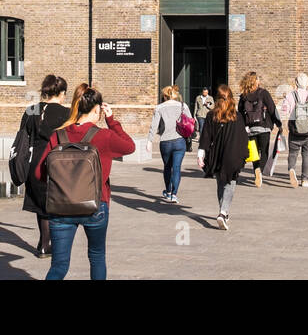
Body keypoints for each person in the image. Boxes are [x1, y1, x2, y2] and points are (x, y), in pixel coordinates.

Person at [33, 86, 135, 280]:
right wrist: (111, 120)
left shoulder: (58, 135)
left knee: (59, 266)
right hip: (95, 205)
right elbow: (129, 146)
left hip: (60, 208)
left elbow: (39, 173)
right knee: (96, 257)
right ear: (97, 110)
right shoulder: (104, 136)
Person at [20, 74, 71, 258]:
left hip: (35, 163)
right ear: (62, 93)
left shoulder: (32, 110)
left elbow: (22, 137)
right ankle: (53, 243)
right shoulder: (67, 113)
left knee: (41, 205)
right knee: (57, 204)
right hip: (58, 162)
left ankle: (44, 243)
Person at [196, 85, 249, 229]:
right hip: (233, 154)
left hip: (217, 154)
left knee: (220, 183)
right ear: (231, 98)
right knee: (230, 183)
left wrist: (201, 153)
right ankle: (223, 212)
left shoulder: (211, 115)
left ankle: (223, 211)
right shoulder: (237, 117)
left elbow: (206, 137)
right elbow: (243, 138)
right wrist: (245, 154)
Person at [145, 85, 193, 203]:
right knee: (176, 168)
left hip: (165, 141)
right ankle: (174, 195)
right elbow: (191, 120)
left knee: (167, 167)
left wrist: (149, 141)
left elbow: (154, 126)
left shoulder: (159, 107)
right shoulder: (183, 105)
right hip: (179, 140)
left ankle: (168, 191)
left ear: (165, 96)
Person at [237, 71, 280, 187]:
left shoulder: (243, 96)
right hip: (264, 127)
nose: (259, 81)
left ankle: (257, 172)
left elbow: (240, 114)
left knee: (254, 153)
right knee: (264, 153)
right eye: (258, 79)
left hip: (250, 129)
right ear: (255, 81)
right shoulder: (263, 93)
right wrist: (278, 123)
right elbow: (272, 108)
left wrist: (241, 128)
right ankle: (259, 171)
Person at [279, 74, 308, 188]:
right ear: (307, 83)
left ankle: (292, 170)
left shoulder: (290, 95)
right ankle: (304, 179)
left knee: (293, 154)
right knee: (306, 155)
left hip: (294, 130)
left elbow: (285, 110)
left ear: (296, 83)